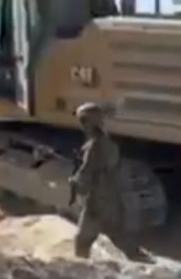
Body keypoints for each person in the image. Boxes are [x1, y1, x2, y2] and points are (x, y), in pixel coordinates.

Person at [69, 101, 124, 259]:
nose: (80, 125)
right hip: (111, 198)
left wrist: (74, 181)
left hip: (97, 201)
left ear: (88, 123)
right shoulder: (108, 142)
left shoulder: (93, 147)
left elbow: (85, 174)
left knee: (81, 241)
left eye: (82, 121)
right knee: (118, 240)